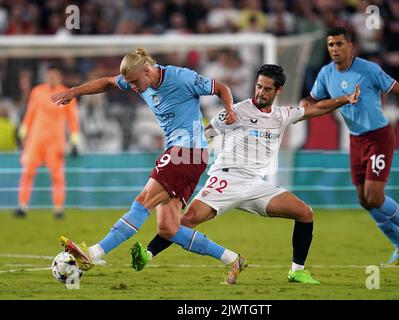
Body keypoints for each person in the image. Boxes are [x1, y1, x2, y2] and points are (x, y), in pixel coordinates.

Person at [131, 64, 360, 284]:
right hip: (226, 178)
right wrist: (180, 154)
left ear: (278, 90)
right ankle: (147, 254)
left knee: (305, 213)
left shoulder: (282, 115)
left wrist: (345, 99)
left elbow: (315, 109)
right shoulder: (238, 110)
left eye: (267, 88)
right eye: (258, 86)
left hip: (256, 185)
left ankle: (297, 272)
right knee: (187, 221)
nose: (261, 92)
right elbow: (207, 133)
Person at [51, 48, 255, 285]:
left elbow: (221, 88)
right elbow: (107, 82)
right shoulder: (137, 80)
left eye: (136, 82)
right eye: (129, 83)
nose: (133, 88)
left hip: (186, 152)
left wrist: (230, 110)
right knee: (169, 228)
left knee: (142, 201)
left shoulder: (181, 77)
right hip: (185, 156)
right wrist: (74, 92)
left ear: (147, 70)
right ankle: (233, 259)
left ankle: (94, 253)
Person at [300, 27, 399, 266]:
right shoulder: (326, 73)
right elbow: (312, 99)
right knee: (363, 199)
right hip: (356, 139)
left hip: (379, 136)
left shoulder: (368, 70)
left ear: (350, 46)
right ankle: (398, 246)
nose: (335, 49)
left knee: (375, 196)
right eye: (331, 45)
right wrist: (304, 103)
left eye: (339, 44)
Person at [14, 65, 80, 219]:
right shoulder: (37, 91)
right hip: (35, 140)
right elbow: (30, 112)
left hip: (55, 142)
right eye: (49, 75)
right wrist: (22, 131)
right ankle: (22, 207)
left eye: (54, 75)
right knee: (28, 172)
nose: (51, 78)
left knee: (57, 176)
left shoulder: (67, 94)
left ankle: (58, 209)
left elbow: (72, 119)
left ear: (59, 77)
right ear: (46, 76)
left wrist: (75, 140)